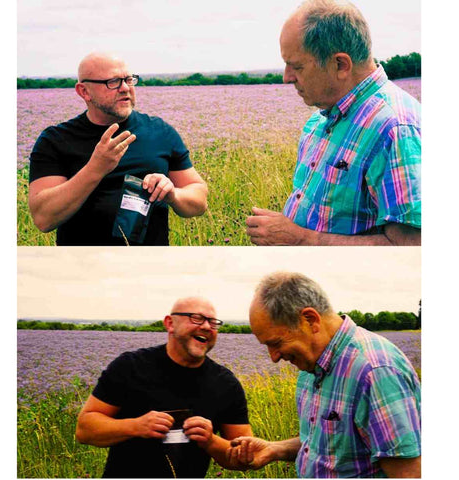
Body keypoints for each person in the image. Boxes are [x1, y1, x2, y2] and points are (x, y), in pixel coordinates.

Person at [246, 0, 421, 246]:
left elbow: (410, 248)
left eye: (297, 66)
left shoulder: (396, 129)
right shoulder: (320, 119)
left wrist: (301, 240)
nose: (287, 78)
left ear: (340, 65)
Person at [227, 272, 421, 478]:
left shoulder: (375, 371)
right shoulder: (311, 366)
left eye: (276, 343)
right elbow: (325, 444)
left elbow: (408, 473)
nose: (273, 357)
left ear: (310, 320)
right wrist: (275, 449)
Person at [28, 52, 207, 245]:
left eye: (128, 80)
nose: (124, 88)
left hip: (152, 265)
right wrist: (95, 169)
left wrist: (173, 194)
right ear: (84, 91)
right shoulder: (55, 140)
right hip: (83, 267)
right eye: (113, 82)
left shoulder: (160, 131)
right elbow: (43, 218)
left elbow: (199, 201)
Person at [76, 296, 252, 478]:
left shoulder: (226, 384)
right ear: (170, 323)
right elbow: (85, 430)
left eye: (213, 322)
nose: (207, 326)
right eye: (196, 318)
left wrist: (211, 441)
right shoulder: (129, 367)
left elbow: (245, 456)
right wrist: (135, 426)